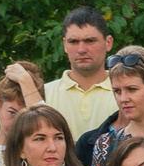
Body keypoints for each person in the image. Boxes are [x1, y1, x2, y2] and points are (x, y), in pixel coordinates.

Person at [43, 7, 120, 140]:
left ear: (108, 43)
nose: (81, 49)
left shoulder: (126, 93)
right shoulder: (43, 94)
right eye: (73, 42)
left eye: (90, 41)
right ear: (64, 45)